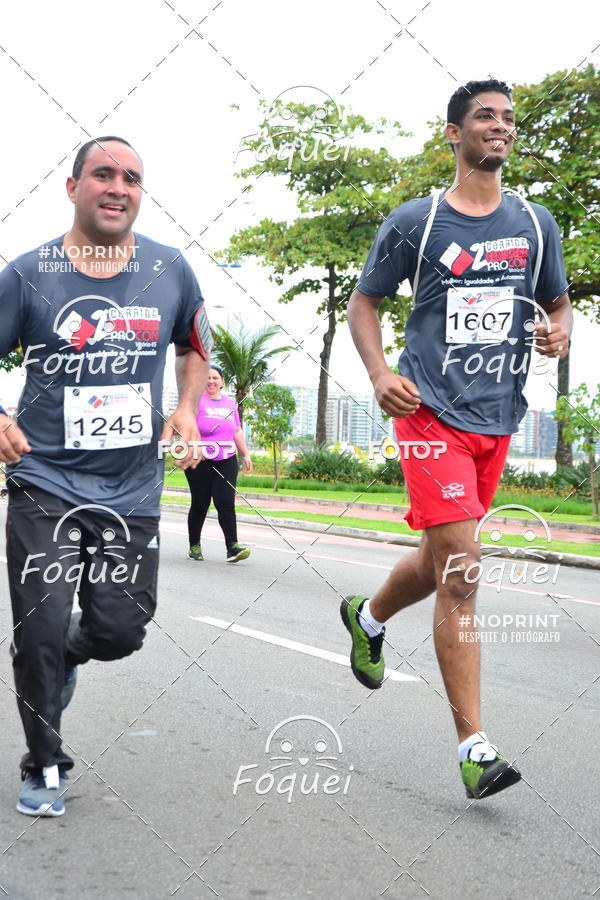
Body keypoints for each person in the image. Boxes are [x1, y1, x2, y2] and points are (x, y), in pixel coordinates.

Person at [343, 80, 572, 799]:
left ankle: (369, 615)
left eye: (508, 118)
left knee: (441, 556)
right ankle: (474, 747)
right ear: (453, 134)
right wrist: (380, 373)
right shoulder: (418, 221)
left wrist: (559, 333)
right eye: (485, 117)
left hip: (497, 418)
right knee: (464, 568)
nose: (500, 128)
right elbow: (364, 301)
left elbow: (559, 302)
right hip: (427, 412)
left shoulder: (536, 225)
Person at [0, 136, 212, 816]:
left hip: (131, 488)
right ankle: (45, 765)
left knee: (122, 627)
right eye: (103, 175)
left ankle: (69, 651)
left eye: (132, 178)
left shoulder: (169, 269)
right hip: (44, 477)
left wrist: (184, 408)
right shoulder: (29, 273)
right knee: (38, 623)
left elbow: (197, 345)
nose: (118, 187)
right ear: (72, 188)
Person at [184, 365, 252, 562]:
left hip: (226, 459)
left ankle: (232, 548)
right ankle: (194, 546)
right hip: (199, 460)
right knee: (200, 503)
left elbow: (236, 430)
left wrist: (245, 454)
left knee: (225, 501)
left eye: (215, 378)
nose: (211, 381)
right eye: (207, 378)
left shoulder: (230, 404)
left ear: (222, 382)